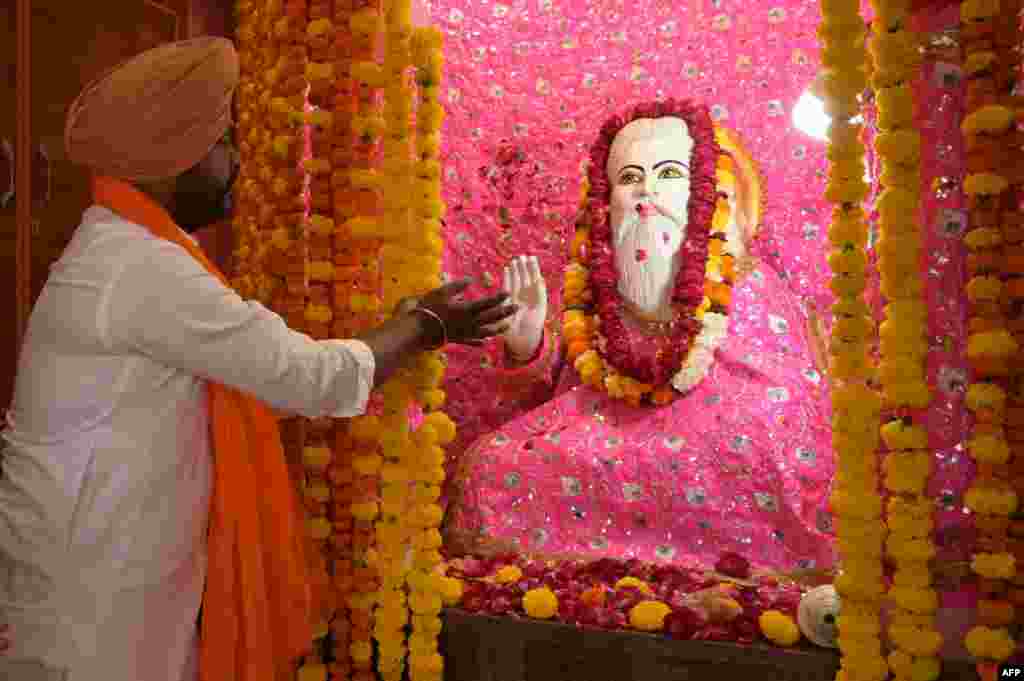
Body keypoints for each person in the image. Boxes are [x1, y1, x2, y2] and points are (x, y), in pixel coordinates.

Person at [0, 37, 515, 681]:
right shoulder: (140, 267)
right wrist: (424, 326)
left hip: (101, 569)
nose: (236, 161)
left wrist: (401, 328)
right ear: (172, 158)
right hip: (97, 594)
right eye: (222, 143)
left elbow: (268, 361)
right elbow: (306, 377)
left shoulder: (125, 251)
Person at [445, 99, 835, 573]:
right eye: (629, 179)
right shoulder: (599, 287)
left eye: (668, 174)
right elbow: (571, 382)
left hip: (720, 444)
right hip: (605, 429)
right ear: (606, 200)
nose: (645, 194)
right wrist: (528, 343)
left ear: (710, 192)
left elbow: (786, 396)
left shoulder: (745, 278)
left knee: (763, 457)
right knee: (495, 464)